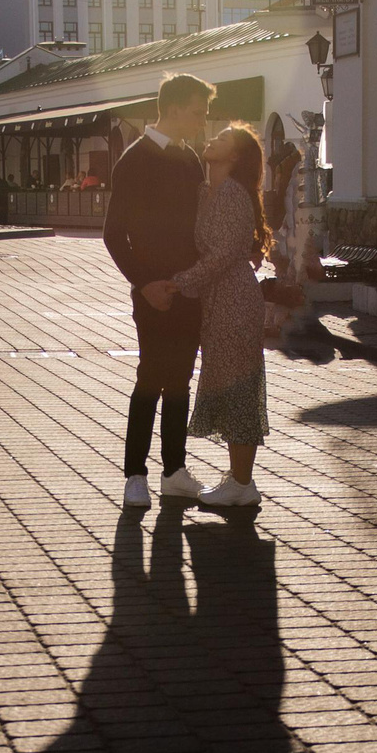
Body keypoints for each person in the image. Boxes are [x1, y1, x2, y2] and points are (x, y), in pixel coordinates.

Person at [102, 73, 214, 505]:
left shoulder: (191, 159)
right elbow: (114, 234)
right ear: (173, 108)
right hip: (152, 293)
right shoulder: (134, 160)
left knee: (181, 380)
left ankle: (174, 470)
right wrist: (144, 284)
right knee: (150, 377)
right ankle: (135, 476)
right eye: (198, 112)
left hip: (188, 290)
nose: (203, 121)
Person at [153, 123, 273, 506]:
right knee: (226, 381)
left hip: (235, 297)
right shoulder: (207, 191)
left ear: (235, 157)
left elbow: (223, 254)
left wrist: (181, 281)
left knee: (240, 385)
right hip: (215, 300)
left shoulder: (234, 195)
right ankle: (238, 479)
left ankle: (242, 484)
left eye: (221, 139)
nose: (210, 140)